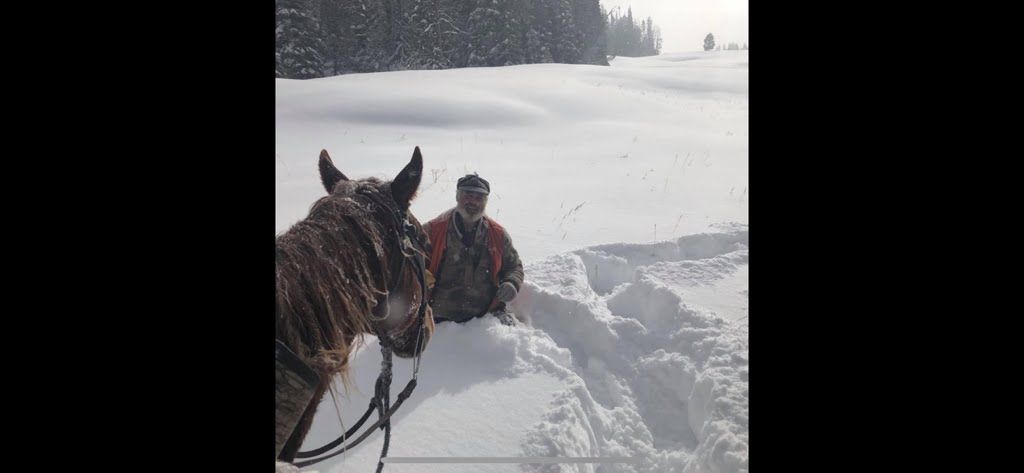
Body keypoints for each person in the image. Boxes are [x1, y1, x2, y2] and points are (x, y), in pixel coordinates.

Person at [423, 173, 524, 325]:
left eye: (479, 198)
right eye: (468, 195)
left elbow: (514, 266)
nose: (473, 202)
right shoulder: (432, 231)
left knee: (518, 342)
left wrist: (512, 283)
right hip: (437, 317)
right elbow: (409, 266)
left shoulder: (497, 234)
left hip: (486, 315)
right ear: (458, 197)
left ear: (486, 202)